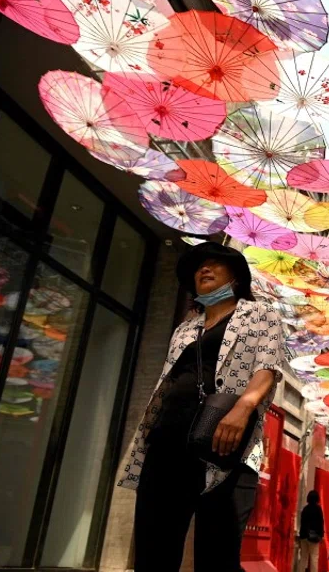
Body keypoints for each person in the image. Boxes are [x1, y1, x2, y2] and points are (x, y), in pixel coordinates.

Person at [119, 242, 282, 571]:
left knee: (217, 552)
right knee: (154, 548)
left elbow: (268, 367)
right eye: (198, 267)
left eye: (215, 264)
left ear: (235, 277)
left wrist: (243, 407)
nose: (204, 270)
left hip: (222, 442)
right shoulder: (184, 328)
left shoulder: (259, 315)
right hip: (167, 441)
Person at [299, 490, 325, 571]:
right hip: (314, 536)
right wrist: (321, 535)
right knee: (314, 558)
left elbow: (302, 522)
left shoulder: (305, 509)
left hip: (303, 536)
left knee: (303, 557)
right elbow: (321, 522)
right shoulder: (318, 509)